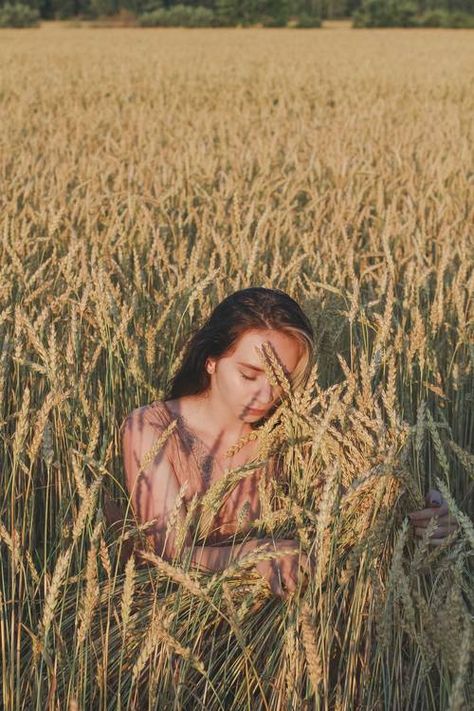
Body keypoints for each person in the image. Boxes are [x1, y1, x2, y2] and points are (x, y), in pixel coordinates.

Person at [109, 287, 458, 600]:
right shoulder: (151, 429)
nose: (266, 394)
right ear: (211, 360)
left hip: (282, 626)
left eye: (282, 380)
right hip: (176, 619)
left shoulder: (298, 431)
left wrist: (418, 513)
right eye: (249, 374)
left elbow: (360, 508)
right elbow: (169, 553)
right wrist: (257, 553)